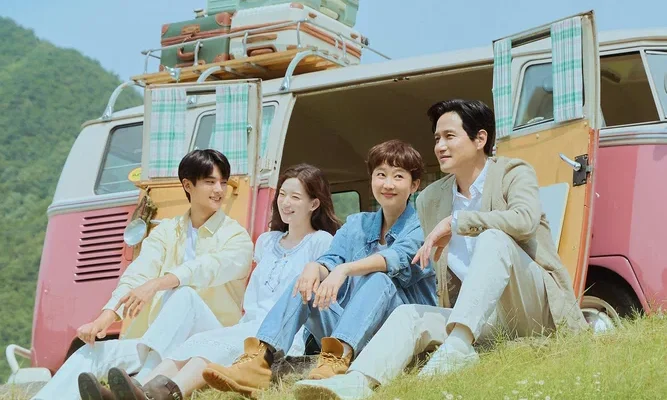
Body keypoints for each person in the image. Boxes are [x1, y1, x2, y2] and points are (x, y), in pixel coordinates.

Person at [292, 99, 589, 400]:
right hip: (477, 315)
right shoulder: (431, 198)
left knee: (494, 238)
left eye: (449, 136)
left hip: (529, 306)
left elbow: (524, 221)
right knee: (409, 314)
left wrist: (457, 222)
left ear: (480, 139)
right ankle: (356, 382)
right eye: (436, 138)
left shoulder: (512, 172)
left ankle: (457, 348)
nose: (440, 146)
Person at [202, 139, 438, 399]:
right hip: (349, 329)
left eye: (398, 176)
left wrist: (344, 270)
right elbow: (332, 258)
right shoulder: (357, 224)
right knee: (307, 281)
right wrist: (315, 267)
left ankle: (338, 358)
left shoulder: (423, 225)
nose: (388, 184)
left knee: (380, 279)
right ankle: (259, 362)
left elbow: (397, 258)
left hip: (396, 331)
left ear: (414, 185)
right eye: (381, 175)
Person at [92, 163, 341, 400]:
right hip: (247, 324)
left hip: (280, 336)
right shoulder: (267, 242)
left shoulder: (321, 241)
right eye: (282, 194)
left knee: (213, 346)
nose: (285, 202)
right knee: (195, 334)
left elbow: (323, 288)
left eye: (295, 197)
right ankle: (137, 387)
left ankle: (165, 394)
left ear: (314, 204)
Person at [32, 149, 254, 400]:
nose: (219, 190)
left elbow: (207, 268)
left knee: (184, 295)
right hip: (160, 342)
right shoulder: (167, 231)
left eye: (223, 182)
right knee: (90, 353)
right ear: (188, 185)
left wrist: (158, 283)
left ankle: (140, 385)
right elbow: (138, 273)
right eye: (210, 182)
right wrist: (106, 316)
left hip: (208, 341)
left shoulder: (237, 237)